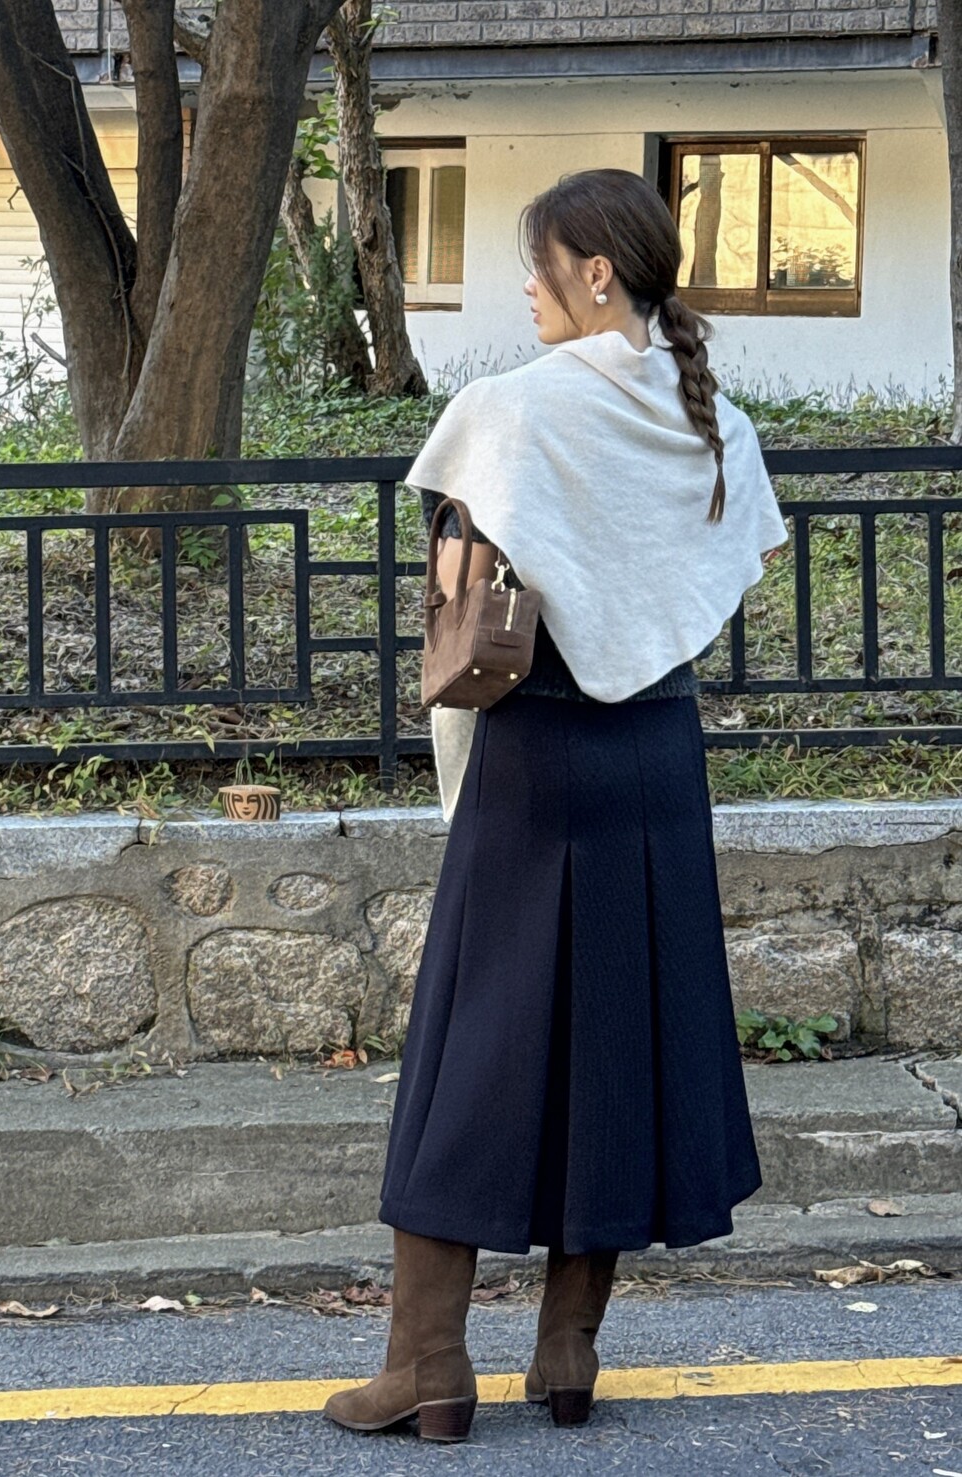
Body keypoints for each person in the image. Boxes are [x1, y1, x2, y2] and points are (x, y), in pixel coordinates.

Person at [323, 167, 789, 1444]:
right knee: (619, 1041)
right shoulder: (716, 426)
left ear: (594, 271)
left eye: (537, 263)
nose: (523, 286)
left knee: (471, 1047)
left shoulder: (511, 411)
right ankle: (567, 1350)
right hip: (656, 759)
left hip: (535, 754)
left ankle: (427, 1362)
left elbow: (457, 575)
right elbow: (722, 569)